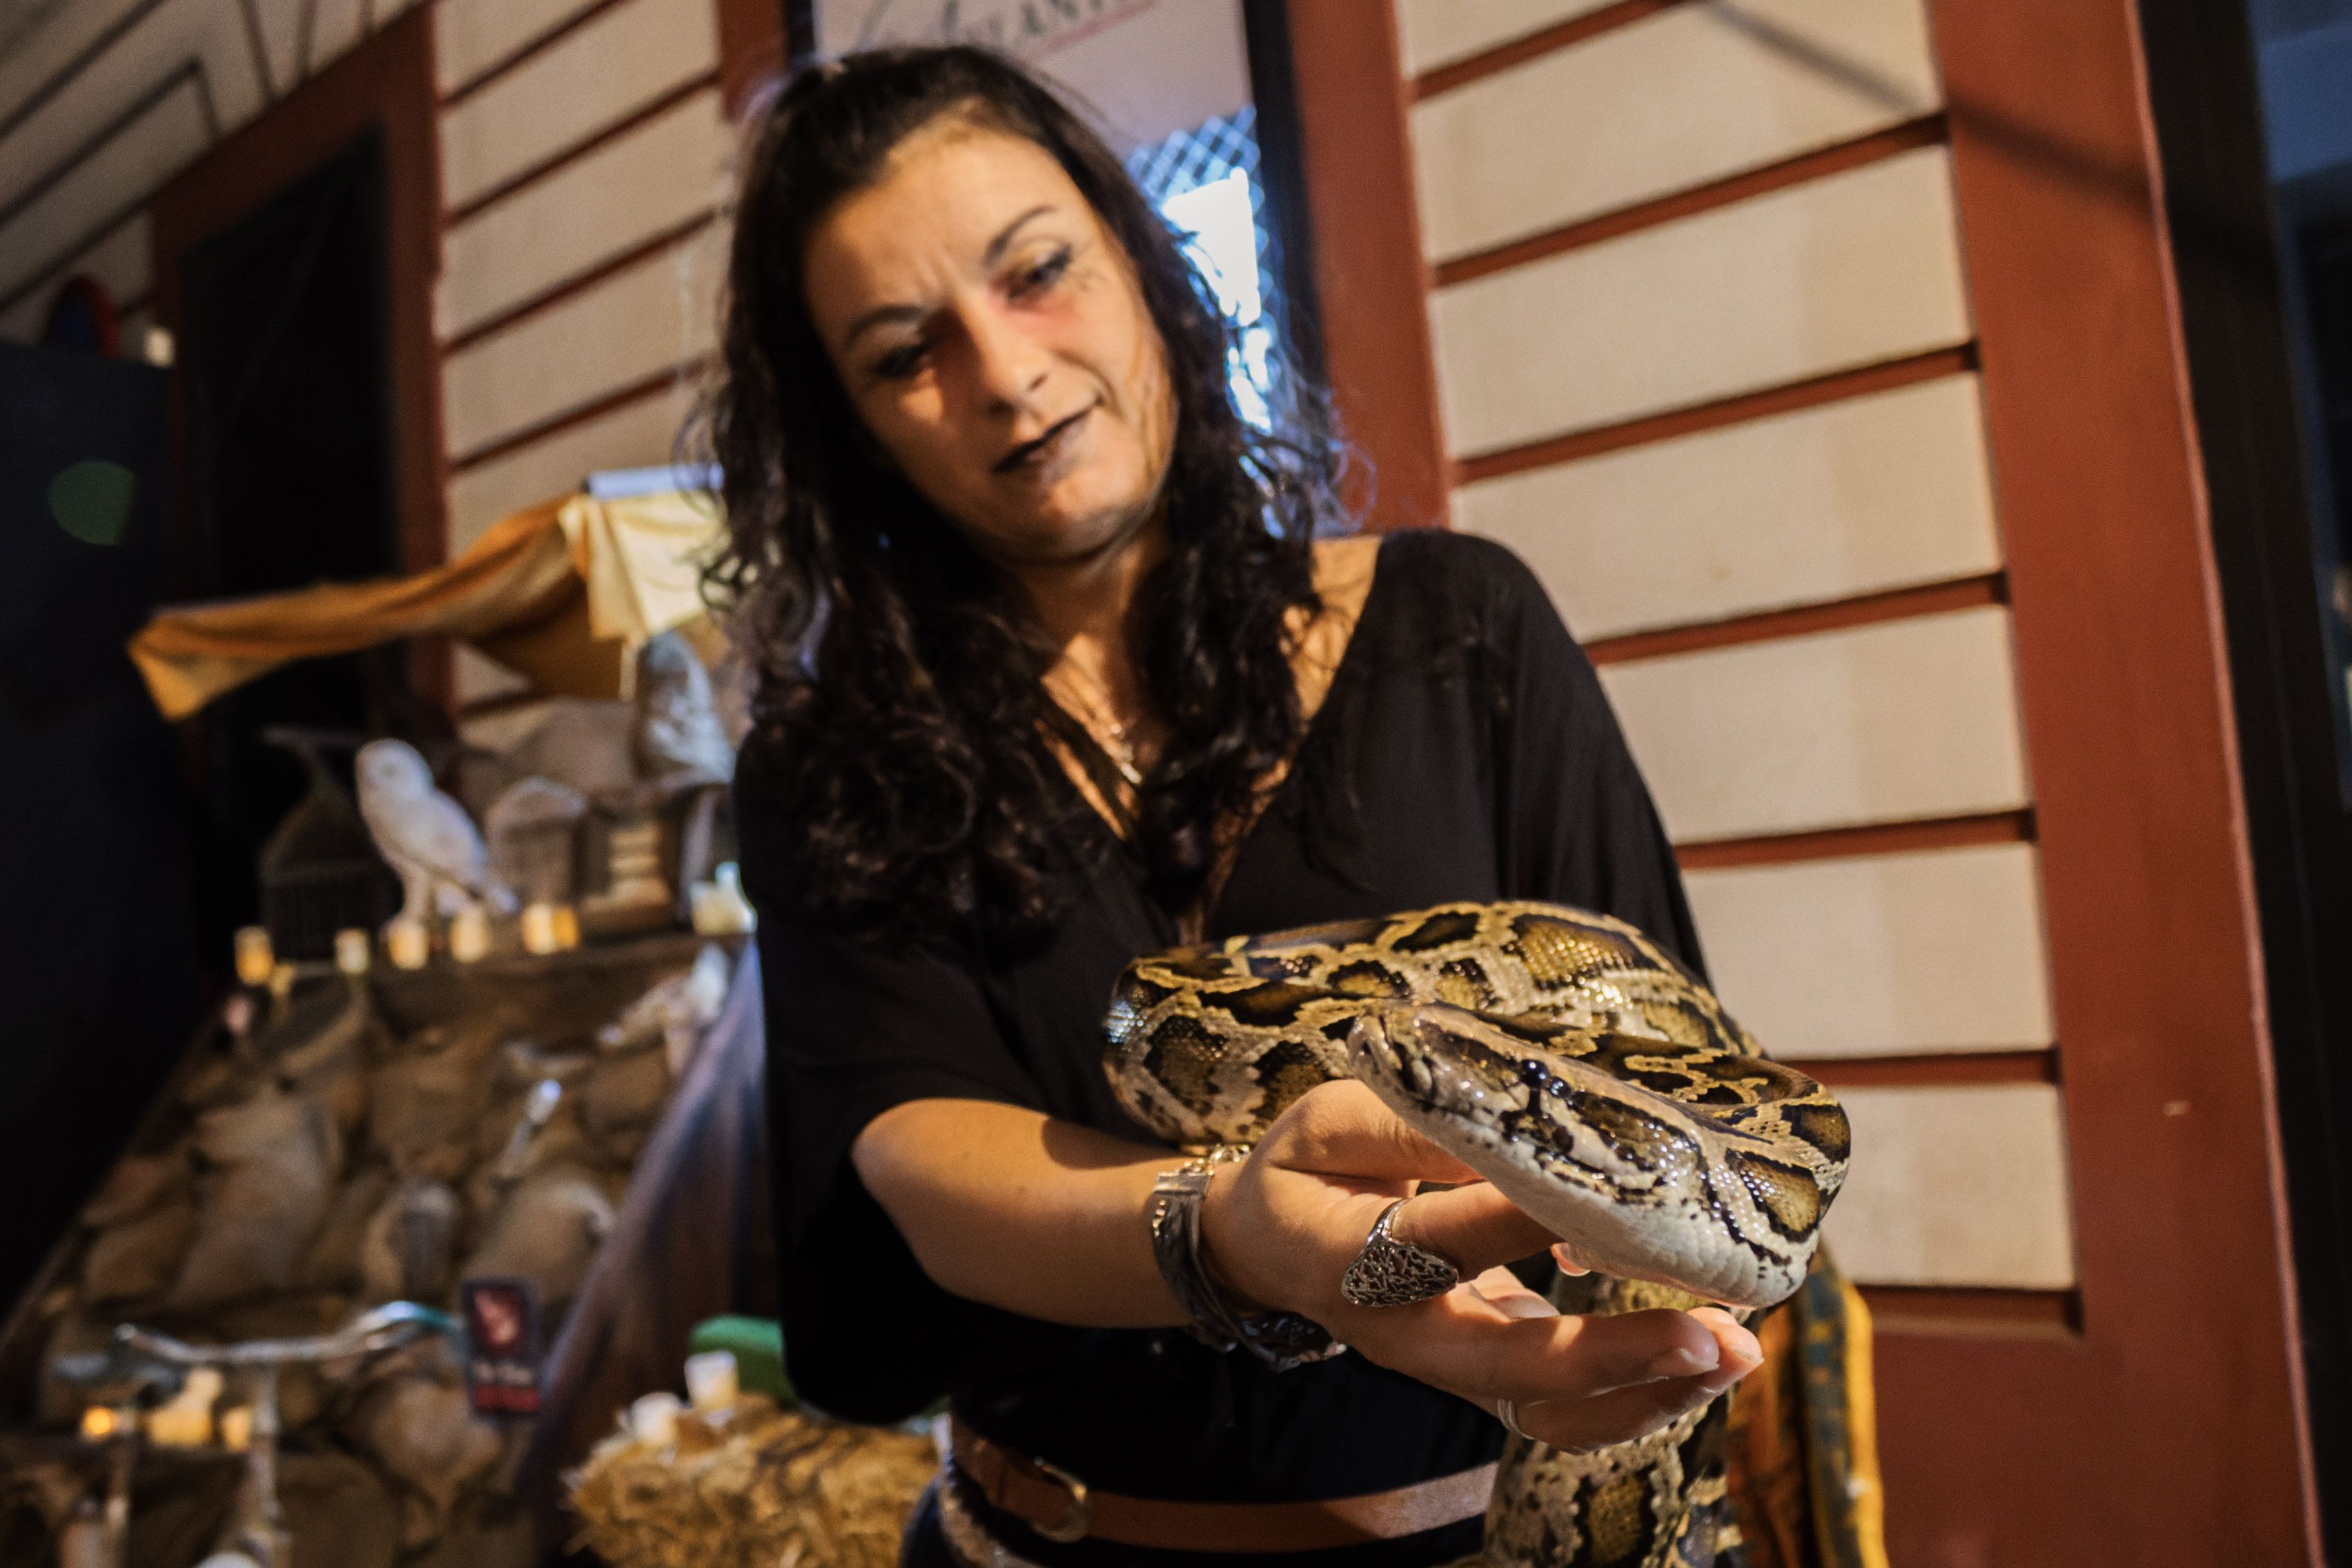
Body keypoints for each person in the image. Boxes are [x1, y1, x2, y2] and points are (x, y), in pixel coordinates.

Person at [709, 47, 1763, 1568]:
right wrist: (1222, 1233)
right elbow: (916, 1148)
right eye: (901, 352)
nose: (1005, 374)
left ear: (1143, 265)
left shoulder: (1463, 630)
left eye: (1037, 272)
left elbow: (1673, 1089)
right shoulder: (835, 764)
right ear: (847, 425)